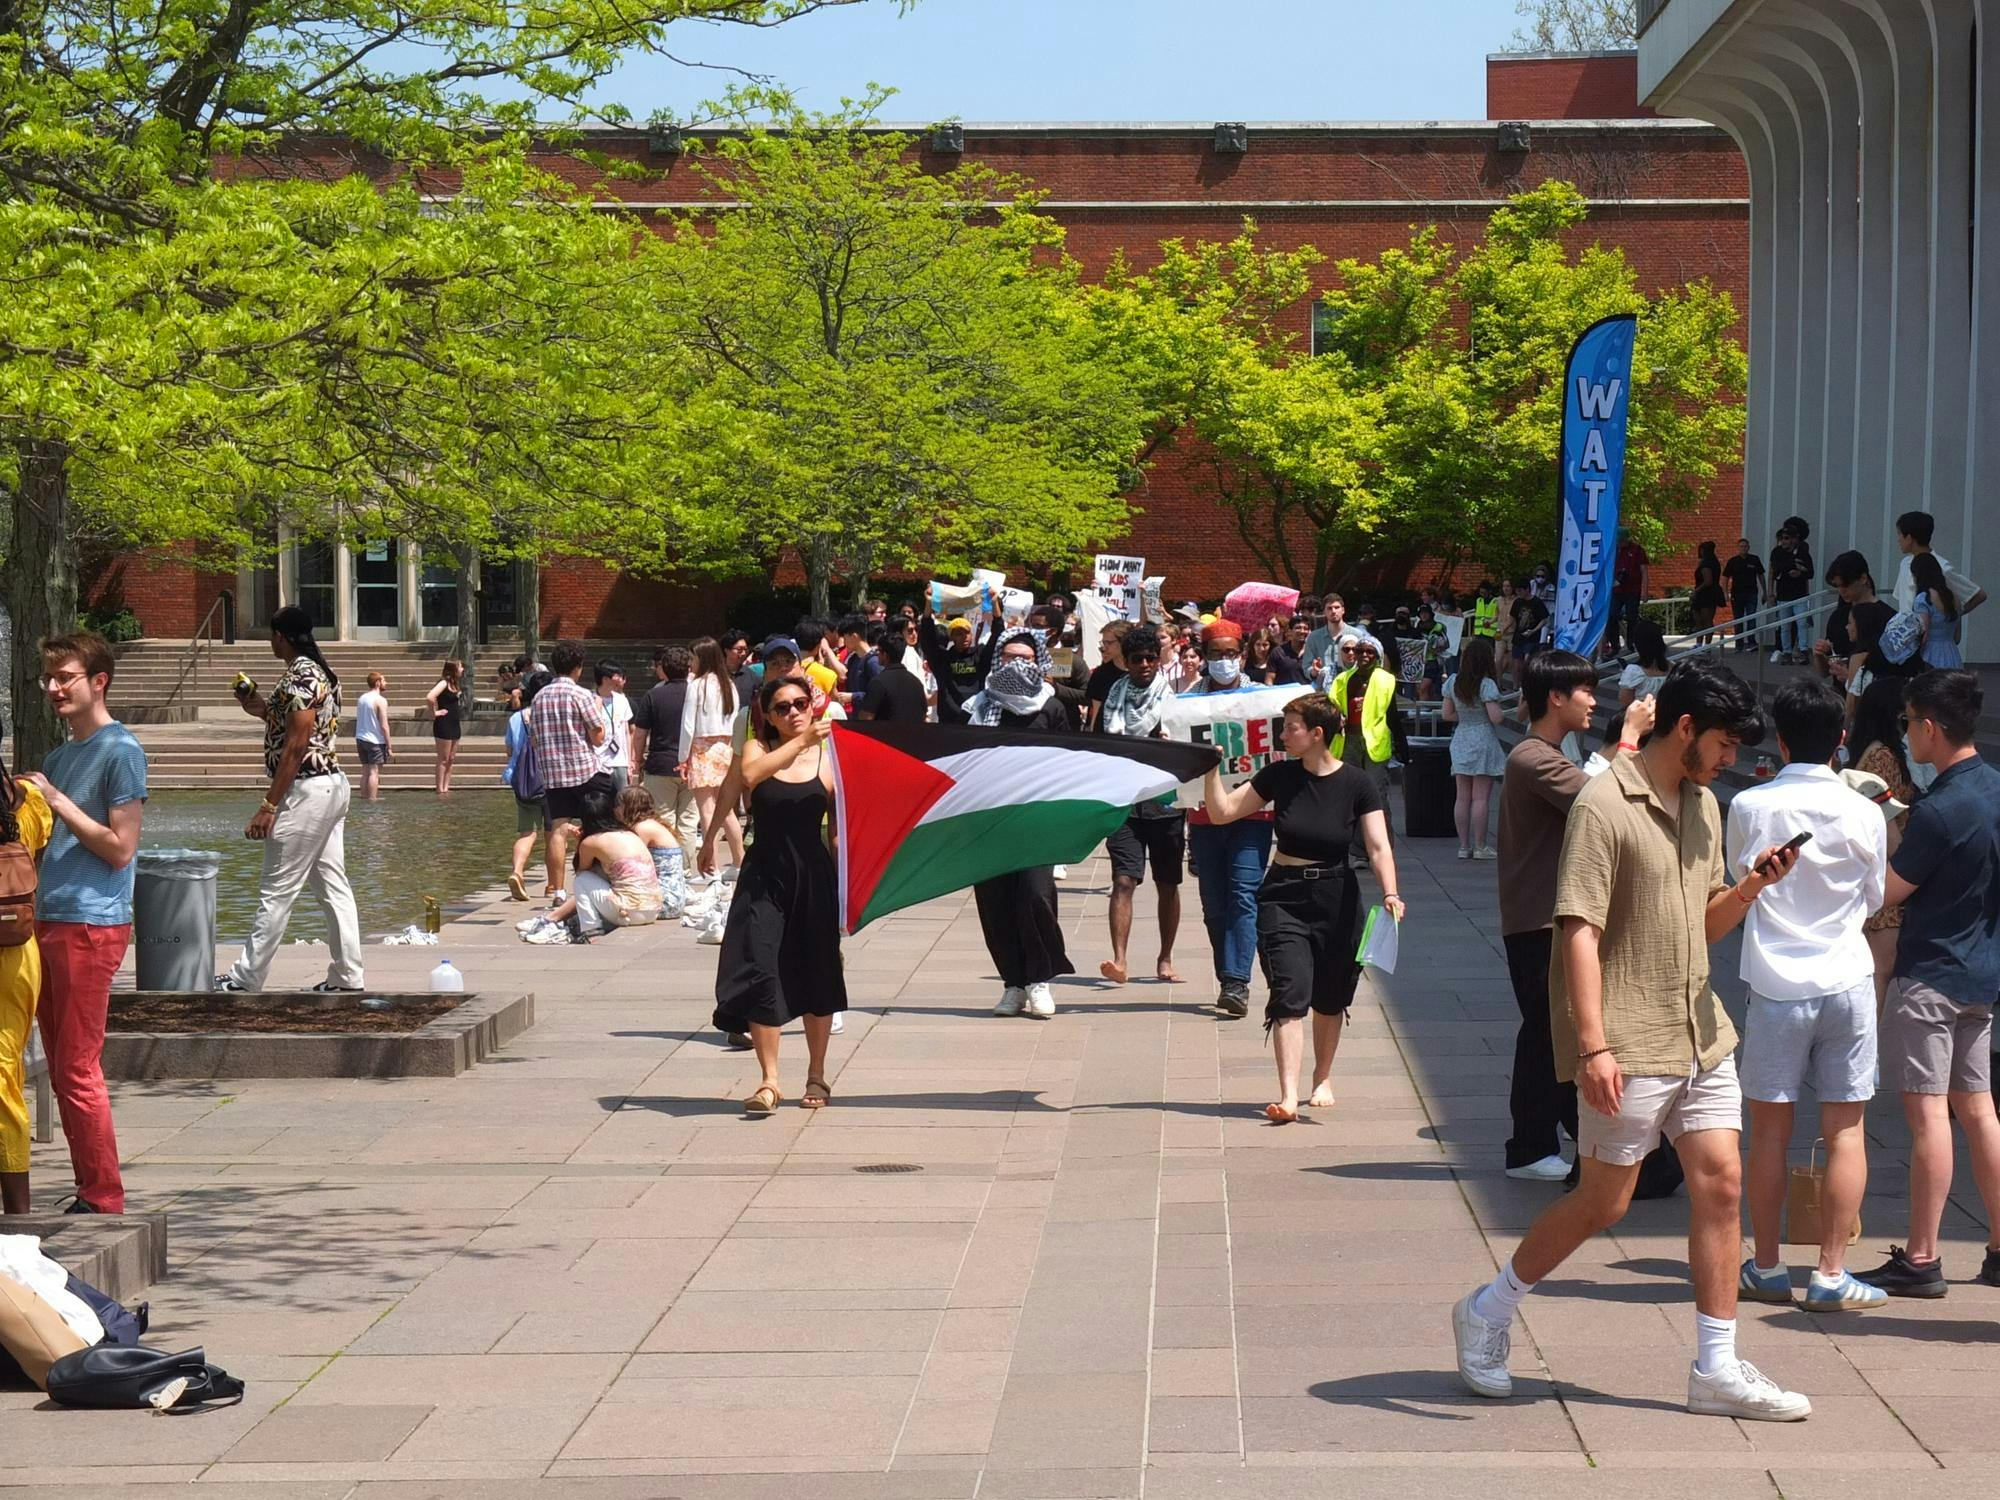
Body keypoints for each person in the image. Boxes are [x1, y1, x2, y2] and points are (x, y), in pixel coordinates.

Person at [1452, 659, 1813, 1422]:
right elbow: (1577, 927)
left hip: (1701, 1029)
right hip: (1629, 1031)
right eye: (1721, 744)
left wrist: (1751, 888)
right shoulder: (1604, 804)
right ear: (1685, 729)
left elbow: (1701, 926)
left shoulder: (1706, 805)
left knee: (1720, 1184)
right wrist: (1592, 1046)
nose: (1729, 760)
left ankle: (1714, 1367)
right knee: (1604, 1202)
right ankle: (1488, 1307)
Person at [1730, 678, 1890, 1312]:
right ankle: (1830, 1271)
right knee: (1846, 1129)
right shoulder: (1866, 811)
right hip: (1847, 978)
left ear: (1780, 737)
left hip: (1774, 983)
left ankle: (1767, 1265)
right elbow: (1875, 898)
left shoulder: (1748, 805)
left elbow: (1734, 884)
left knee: (1769, 1133)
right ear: (1842, 739)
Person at [1855, 669, 2000, 1298]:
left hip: (1929, 978)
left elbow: (1885, 893)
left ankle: (1920, 1258)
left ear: (1931, 727)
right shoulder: (1991, 788)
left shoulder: (1940, 812)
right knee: (1979, 1112)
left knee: (1927, 1119)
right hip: (1980, 974)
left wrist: (1877, 829)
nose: (1906, 731)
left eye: (1910, 721)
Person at [1201, 693, 1401, 1120]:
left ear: (1317, 734)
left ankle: (1322, 1076)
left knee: (1329, 997)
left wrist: (1390, 892)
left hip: (1337, 896)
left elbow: (1379, 846)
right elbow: (1222, 813)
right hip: (1283, 895)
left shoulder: (1357, 784)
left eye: (1291, 726)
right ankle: (1288, 1095)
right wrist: (1210, 771)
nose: (1283, 733)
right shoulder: (1279, 776)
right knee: (1289, 991)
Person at [1495, 651, 1654, 1184]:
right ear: (1556, 697)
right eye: (1585, 691)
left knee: (1553, 1032)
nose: (1594, 700)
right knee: (1544, 1032)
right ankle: (1529, 1146)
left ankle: (1555, 1137)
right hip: (1538, 919)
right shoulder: (1531, 756)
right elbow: (1600, 799)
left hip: (1545, 917)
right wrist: (1630, 737)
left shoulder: (1549, 752)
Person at [18, 634, 144, 1215]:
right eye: (48, 678)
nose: (53, 687)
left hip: (91, 926)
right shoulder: (60, 758)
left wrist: (58, 800)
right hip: (46, 919)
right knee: (61, 1063)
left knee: (76, 1065)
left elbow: (121, 849)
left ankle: (104, 1197)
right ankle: (91, 1189)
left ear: (99, 681)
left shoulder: (122, 750)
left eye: (64, 676)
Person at [702, 677, 846, 1113]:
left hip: (813, 875)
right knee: (761, 966)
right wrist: (710, 840)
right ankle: (769, 1081)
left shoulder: (828, 758)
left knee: (817, 971)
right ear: (767, 715)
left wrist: (846, 890)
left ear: (812, 704)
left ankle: (817, 1075)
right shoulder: (757, 751)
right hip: (764, 875)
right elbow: (741, 781)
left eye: (801, 703)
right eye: (782, 707)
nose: (793, 712)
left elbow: (840, 831)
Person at [215, 606, 364, 996]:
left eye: (272, 634)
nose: (270, 640)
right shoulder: (321, 672)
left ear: (280, 635)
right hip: (332, 785)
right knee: (333, 886)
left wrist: (269, 805)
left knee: (276, 889)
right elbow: (298, 727)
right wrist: (262, 708)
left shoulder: (301, 674)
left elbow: (297, 746)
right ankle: (347, 976)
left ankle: (245, 978)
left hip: (307, 790)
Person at [968, 630, 1073, 1020]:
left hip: (1037, 819)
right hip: (990, 819)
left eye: (1027, 658)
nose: (1018, 665)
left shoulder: (1052, 707)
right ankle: (1013, 983)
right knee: (995, 903)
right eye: (1011, 657)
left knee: (1035, 897)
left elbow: (1069, 760)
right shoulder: (979, 707)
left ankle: (1039, 979)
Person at [1182, 620, 1275, 1019]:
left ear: (1243, 653)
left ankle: (1237, 981)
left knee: (1243, 893)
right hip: (1204, 815)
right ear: (1204, 657)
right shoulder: (1184, 703)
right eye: (1216, 653)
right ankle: (1228, 974)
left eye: (1230, 653)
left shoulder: (1265, 699)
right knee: (1213, 902)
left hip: (1253, 811)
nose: (1224, 660)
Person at [1096, 624, 1185, 986]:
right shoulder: (1114, 696)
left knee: (1167, 883)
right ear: (1126, 662)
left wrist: (1172, 736)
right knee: (1123, 881)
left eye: (1151, 657)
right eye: (1137, 659)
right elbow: (1102, 745)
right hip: (1125, 804)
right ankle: (1119, 959)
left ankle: (1165, 958)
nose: (1145, 664)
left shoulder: (1173, 700)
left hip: (1165, 803)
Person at [0, 718, 50, 1214]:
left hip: (9, 961)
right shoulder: (27, 804)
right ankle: (16, 1216)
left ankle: (16, 1219)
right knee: (6, 1074)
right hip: (17, 953)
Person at [1847, 676, 1917, 1005]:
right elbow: (1885, 817)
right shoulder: (1884, 757)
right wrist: (1909, 861)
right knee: (1881, 973)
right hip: (1886, 872)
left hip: (1877, 870)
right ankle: (1872, 1052)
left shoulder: (1873, 750)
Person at [517, 789, 665, 943]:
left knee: (583, 879)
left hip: (630, 912)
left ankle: (591, 929)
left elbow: (582, 872)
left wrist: (582, 842)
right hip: (653, 909)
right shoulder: (629, 834)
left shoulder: (591, 842)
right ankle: (552, 919)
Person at [529, 641, 611, 906]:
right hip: (584, 769)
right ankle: (591, 880)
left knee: (558, 829)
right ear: (578, 667)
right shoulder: (582, 695)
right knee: (597, 822)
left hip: (553, 774)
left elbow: (534, 740)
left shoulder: (539, 697)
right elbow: (598, 737)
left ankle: (557, 890)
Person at [1327, 634, 1406, 861]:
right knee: (1352, 797)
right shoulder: (1343, 679)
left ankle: (1383, 849)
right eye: (1360, 651)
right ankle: (1359, 851)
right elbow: (1333, 709)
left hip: (1375, 745)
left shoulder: (1385, 680)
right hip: (1348, 742)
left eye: (1369, 652)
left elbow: (1392, 715)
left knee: (1377, 796)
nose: (1363, 656)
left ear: (1377, 656)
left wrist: (1402, 743)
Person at [1814, 551, 1907, 723]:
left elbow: (1895, 676)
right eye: (1838, 586)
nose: (1842, 591)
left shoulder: (1888, 619)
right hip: (1840, 703)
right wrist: (1820, 655)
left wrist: (1852, 677)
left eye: (1846, 585)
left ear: (1863, 579)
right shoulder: (1838, 617)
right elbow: (1824, 671)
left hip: (1875, 709)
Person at [678, 638, 745, 877]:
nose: (691, 662)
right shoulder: (729, 684)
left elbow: (688, 726)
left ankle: (711, 867)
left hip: (703, 748)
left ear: (702, 658)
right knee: (726, 809)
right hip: (726, 746)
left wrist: (683, 757)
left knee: (706, 809)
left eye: (693, 657)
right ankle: (740, 862)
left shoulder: (697, 685)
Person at [631, 646, 698, 869]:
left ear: (664, 669)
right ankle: (686, 869)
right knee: (688, 822)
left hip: (660, 764)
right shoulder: (697, 693)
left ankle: (667, 868)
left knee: (663, 819)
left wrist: (637, 760)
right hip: (692, 764)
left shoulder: (654, 695)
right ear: (689, 667)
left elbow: (640, 733)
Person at [1442, 637, 1506, 860]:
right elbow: (1495, 718)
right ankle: (1480, 846)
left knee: (1462, 797)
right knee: (1480, 798)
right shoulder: (1487, 684)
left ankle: (1464, 846)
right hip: (1482, 738)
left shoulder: (1452, 682)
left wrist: (1467, 716)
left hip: (1461, 737)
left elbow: (1446, 714)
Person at [502, 669, 552, 902]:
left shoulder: (515, 718)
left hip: (521, 780)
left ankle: (517, 871)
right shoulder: (550, 714)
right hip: (551, 778)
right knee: (554, 833)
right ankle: (553, 885)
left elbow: (510, 750)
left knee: (527, 832)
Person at [1892, 510, 1986, 619]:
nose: (1898, 540)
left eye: (1899, 534)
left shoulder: (1941, 567)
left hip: (1930, 633)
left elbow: (1979, 595)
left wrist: (1951, 618)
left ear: (1909, 538)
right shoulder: (1904, 564)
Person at [856, 629, 927, 721]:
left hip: (883, 734)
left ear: (885, 654)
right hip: (914, 734)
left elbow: (866, 718)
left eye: (879, 650)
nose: (877, 654)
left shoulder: (878, 683)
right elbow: (923, 715)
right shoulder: (916, 683)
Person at [1769, 523, 1814, 664]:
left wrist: (1800, 572)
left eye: (1787, 538)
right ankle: (1787, 652)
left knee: (1802, 623)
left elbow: (1810, 572)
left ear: (1794, 539)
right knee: (1784, 626)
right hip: (1783, 594)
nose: (1784, 541)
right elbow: (1775, 568)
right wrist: (1793, 565)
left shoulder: (1803, 553)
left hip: (1799, 594)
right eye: (1782, 538)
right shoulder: (1777, 552)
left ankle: (1803, 650)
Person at [1909, 554, 1964, 670]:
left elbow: (1923, 636)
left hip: (1930, 656)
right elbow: (1957, 637)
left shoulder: (1923, 599)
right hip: (1953, 654)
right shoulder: (1954, 598)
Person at [592, 660, 634, 797]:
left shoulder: (622, 700)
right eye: (616, 675)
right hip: (597, 760)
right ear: (605, 679)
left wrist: (629, 761)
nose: (620, 678)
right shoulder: (590, 699)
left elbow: (627, 732)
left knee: (622, 801)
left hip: (619, 760)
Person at [1617, 619, 1672, 721]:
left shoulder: (1633, 672)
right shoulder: (1673, 667)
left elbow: (1625, 702)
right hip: (1667, 721)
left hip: (1642, 722)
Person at [1608, 525, 1649, 656]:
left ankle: (1631, 644)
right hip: (1616, 589)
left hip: (1632, 590)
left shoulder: (1637, 550)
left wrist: (1644, 591)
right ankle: (1615, 646)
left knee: (1632, 617)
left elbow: (1644, 571)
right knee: (1612, 616)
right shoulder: (1613, 550)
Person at [425, 659, 464, 796]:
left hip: (454, 723)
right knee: (443, 758)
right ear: (453, 669)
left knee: (451, 758)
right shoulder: (443, 683)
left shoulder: (455, 685)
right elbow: (430, 697)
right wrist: (434, 713)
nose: (462, 669)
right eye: (460, 667)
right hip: (444, 723)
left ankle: (446, 786)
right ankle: (439, 788)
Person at [354, 671, 393, 801]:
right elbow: (384, 725)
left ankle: (364, 797)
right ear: (377, 683)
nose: (386, 683)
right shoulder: (380, 700)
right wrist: (389, 744)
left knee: (365, 770)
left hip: (361, 738)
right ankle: (372, 798)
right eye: (383, 680)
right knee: (374, 772)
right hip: (375, 739)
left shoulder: (362, 698)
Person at [1723, 537, 1767, 652]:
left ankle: (1751, 643)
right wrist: (1725, 592)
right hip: (1737, 594)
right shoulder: (1733, 561)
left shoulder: (1754, 560)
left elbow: (1761, 575)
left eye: (1745, 546)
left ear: (1749, 547)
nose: (1743, 548)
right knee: (1738, 619)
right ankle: (1739, 645)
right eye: (1741, 546)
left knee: (1751, 617)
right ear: (1738, 548)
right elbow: (1725, 577)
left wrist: (1765, 592)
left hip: (1751, 593)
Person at [1086, 620, 1132, 728]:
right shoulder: (1100, 674)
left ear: (1123, 642)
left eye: (1109, 643)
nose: (1104, 647)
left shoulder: (1140, 671)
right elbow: (1095, 713)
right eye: (1103, 643)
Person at [1304, 594, 1359, 684]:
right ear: (1324, 612)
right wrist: (1314, 671)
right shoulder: (1314, 637)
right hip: (1323, 689)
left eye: (1337, 607)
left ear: (1343, 610)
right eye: (1329, 608)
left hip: (1350, 685)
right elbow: (1306, 666)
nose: (1333, 611)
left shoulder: (1357, 635)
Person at [1509, 583, 1550, 676]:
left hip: (1532, 637)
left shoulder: (1537, 602)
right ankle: (1516, 686)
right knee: (1516, 663)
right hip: (1518, 636)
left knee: (1527, 659)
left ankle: (1525, 684)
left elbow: (1544, 619)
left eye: (1520, 590)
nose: (1518, 593)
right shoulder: (1517, 602)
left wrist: (1534, 630)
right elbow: (1512, 617)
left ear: (1527, 589)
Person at [1691, 541, 1725, 641]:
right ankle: (1704, 645)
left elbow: (1708, 581)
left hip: (1705, 594)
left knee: (1703, 620)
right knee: (1705, 620)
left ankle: (1703, 645)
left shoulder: (1706, 564)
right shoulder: (1715, 562)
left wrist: (1696, 591)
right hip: (1712, 593)